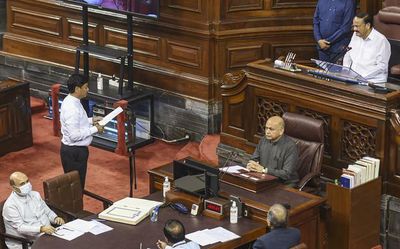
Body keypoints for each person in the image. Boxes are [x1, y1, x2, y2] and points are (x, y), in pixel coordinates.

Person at [60, 74, 104, 188]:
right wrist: (95, 129)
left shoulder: (73, 100)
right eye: (85, 87)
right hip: (74, 153)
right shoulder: (72, 109)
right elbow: (74, 135)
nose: (88, 89)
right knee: (76, 187)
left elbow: (78, 122)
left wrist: (91, 120)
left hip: (75, 150)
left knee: (78, 185)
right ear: (77, 89)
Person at [2, 172, 65, 249]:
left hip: (48, 235)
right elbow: (20, 228)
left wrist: (55, 218)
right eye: (22, 184)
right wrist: (41, 229)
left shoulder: (35, 195)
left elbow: (47, 212)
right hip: (26, 243)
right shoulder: (10, 206)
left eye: (27, 181)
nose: (26, 185)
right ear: (14, 188)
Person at [247, 116, 299, 186]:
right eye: (266, 128)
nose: (267, 132)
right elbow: (254, 158)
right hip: (264, 178)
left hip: (283, 183)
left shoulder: (291, 147)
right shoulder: (263, 140)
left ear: (281, 131)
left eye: (271, 129)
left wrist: (264, 170)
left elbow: (286, 174)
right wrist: (251, 165)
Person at [343, 12, 391, 83]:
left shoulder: (381, 41)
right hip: (353, 80)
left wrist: (360, 77)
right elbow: (348, 55)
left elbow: (381, 67)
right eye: (353, 26)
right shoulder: (355, 35)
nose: (354, 29)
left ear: (367, 25)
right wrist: (345, 71)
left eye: (357, 26)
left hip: (373, 82)